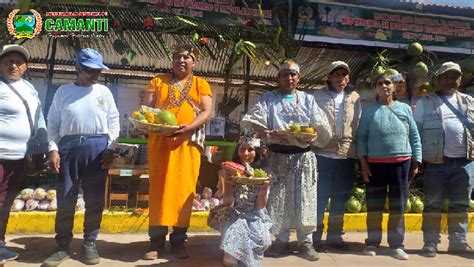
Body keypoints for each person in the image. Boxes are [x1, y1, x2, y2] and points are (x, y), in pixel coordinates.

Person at [241, 59, 332, 261]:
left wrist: (314, 133)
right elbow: (252, 122)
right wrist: (265, 131)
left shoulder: (307, 100)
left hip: (303, 157)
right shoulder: (268, 99)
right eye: (284, 74)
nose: (289, 78)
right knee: (278, 199)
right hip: (277, 157)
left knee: (304, 199)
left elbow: (319, 125)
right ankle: (281, 240)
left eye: (293, 74)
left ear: (298, 78)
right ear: (278, 78)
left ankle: (305, 241)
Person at [44, 48, 120, 266]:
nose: (95, 74)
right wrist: (53, 149)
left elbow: (113, 122)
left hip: (98, 148)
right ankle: (62, 246)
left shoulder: (104, 92)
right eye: (90, 70)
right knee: (66, 199)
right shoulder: (63, 92)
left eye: (98, 70)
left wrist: (110, 147)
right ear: (77, 68)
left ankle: (89, 243)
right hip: (68, 148)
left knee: (95, 200)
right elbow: (53, 124)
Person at [142, 44, 212, 260]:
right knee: (159, 191)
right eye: (177, 57)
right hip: (160, 144)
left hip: (187, 146)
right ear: (172, 61)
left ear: (194, 62)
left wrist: (189, 127)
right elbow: (147, 110)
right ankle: (156, 242)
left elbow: (207, 111)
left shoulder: (201, 84)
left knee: (184, 192)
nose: (181, 61)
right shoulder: (157, 81)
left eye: (187, 57)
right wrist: (150, 125)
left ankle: (179, 241)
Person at [357, 73, 422, 260]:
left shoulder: (405, 109)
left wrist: (416, 161)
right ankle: (372, 243)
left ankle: (396, 246)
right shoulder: (369, 110)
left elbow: (414, 137)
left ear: (394, 87)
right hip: (375, 165)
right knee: (374, 206)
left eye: (387, 83)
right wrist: (363, 164)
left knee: (398, 206)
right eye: (380, 83)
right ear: (375, 88)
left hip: (401, 165)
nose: (384, 86)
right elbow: (361, 139)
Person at [414, 62, 474, 257]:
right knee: (433, 203)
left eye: (454, 77)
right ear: (438, 80)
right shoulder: (426, 101)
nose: (450, 80)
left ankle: (458, 242)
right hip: (436, 162)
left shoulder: (469, 101)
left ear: (460, 80)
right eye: (446, 77)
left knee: (460, 204)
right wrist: (417, 159)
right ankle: (430, 243)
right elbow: (416, 131)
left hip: (464, 162)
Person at [0, 44, 51, 263]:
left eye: (18, 62)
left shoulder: (29, 88)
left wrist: (44, 142)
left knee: (6, 201)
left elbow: (39, 116)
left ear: (25, 66)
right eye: (8, 61)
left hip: (21, 156)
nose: (13, 65)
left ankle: (0, 243)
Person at [311, 61, 361, 251]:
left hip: (346, 155)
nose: (340, 78)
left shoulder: (355, 97)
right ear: (329, 77)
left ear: (348, 78)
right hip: (322, 153)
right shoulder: (318, 96)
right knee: (320, 198)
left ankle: (334, 237)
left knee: (340, 199)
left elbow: (358, 123)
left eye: (344, 75)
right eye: (336, 74)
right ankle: (315, 237)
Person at [211, 135, 271, 267]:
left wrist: (264, 188)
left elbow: (260, 205)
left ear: (258, 152)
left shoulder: (264, 174)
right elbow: (228, 203)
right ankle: (230, 253)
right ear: (237, 151)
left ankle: (239, 252)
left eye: (250, 150)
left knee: (263, 240)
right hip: (233, 211)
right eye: (242, 149)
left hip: (255, 213)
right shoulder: (227, 172)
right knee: (231, 260)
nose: (245, 154)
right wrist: (227, 183)